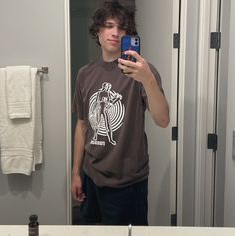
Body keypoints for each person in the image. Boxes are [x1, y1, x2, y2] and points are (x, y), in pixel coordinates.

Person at [71, 0, 169, 226]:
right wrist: (76, 173)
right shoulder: (85, 74)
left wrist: (148, 80)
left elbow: (163, 120)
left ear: (129, 34)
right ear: (98, 30)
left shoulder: (142, 71)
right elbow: (82, 126)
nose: (115, 33)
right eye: (108, 25)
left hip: (127, 183)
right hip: (91, 176)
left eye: (122, 28)